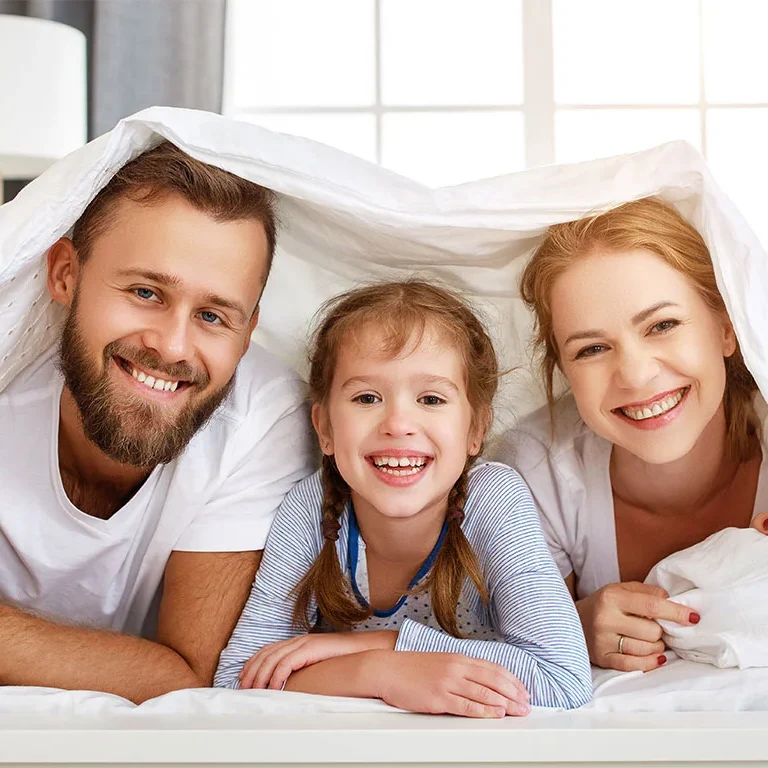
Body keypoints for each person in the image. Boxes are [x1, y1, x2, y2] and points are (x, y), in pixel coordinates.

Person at [0, 141, 313, 703]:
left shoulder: (264, 417)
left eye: (213, 316)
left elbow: (190, 678)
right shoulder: (7, 387)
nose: (172, 347)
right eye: (145, 292)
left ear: (248, 331)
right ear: (66, 275)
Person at [214, 281, 592, 716]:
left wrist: (389, 644)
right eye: (367, 397)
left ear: (475, 430)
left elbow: (564, 679)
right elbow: (238, 678)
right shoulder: (310, 509)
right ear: (325, 428)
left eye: (430, 399)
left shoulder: (493, 500)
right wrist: (378, 673)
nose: (397, 423)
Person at [500, 197, 765, 673]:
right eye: (592, 348)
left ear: (727, 328)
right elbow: (508, 643)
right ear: (563, 369)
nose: (637, 375)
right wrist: (573, 625)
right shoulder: (535, 477)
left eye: (663, 325)